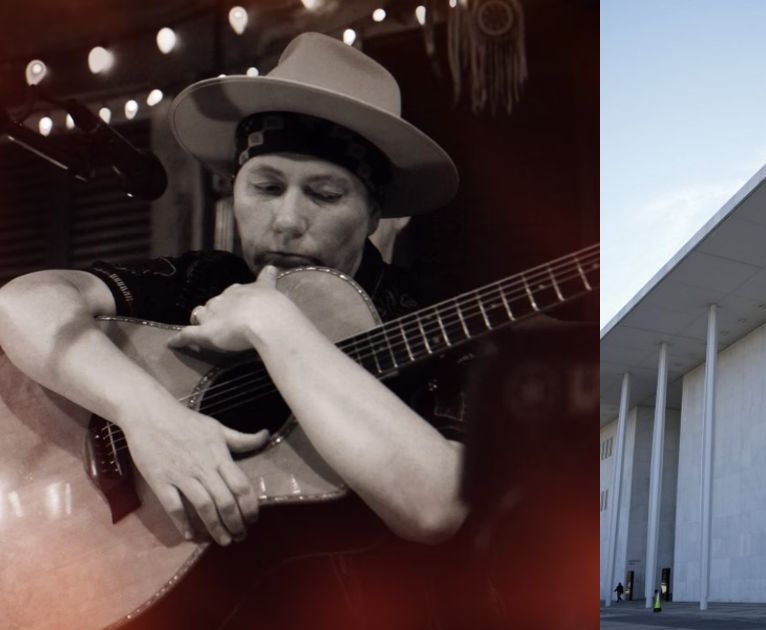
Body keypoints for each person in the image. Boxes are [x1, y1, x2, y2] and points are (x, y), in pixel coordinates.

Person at [0, 31, 469, 611]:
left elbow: (435, 506)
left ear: (373, 211)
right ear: (234, 189)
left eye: (324, 194)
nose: (287, 220)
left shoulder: (432, 320)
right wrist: (149, 417)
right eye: (266, 187)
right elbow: (24, 301)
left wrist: (275, 324)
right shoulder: (207, 280)